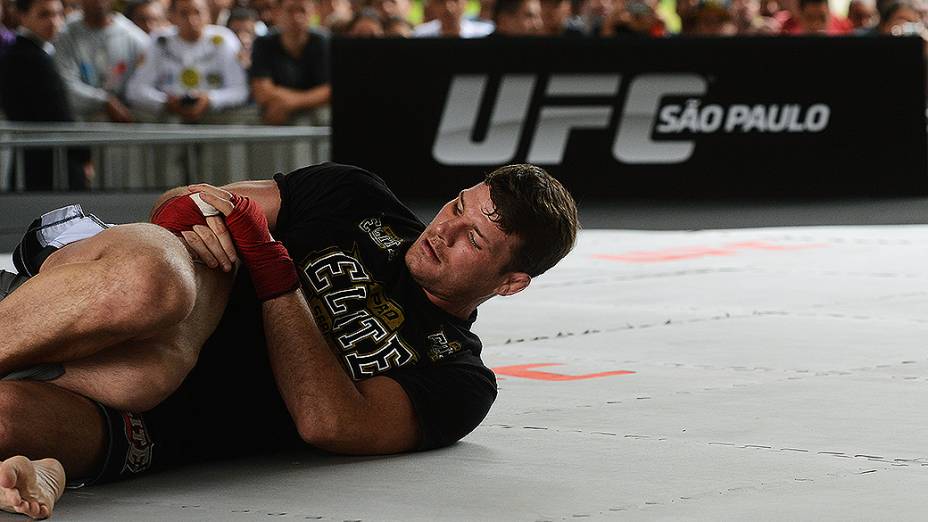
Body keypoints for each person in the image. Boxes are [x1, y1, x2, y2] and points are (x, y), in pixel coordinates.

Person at [0, 162, 579, 518]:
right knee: (150, 290)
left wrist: (275, 273)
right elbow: (190, 207)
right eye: (457, 206)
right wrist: (193, 209)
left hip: (155, 428)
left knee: (36, 411)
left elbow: (328, 422)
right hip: (167, 300)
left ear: (512, 282)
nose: (444, 229)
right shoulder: (354, 196)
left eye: (472, 240)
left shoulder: (458, 379)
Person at [0, 0, 92, 190]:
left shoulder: (33, 52)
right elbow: (57, 113)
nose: (54, 21)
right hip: (48, 166)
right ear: (22, 16)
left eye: (59, 14)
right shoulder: (29, 57)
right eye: (44, 15)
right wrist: (83, 153)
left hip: (41, 160)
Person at [125, 0, 248, 122]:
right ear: (171, 16)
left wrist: (210, 100)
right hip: (169, 127)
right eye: (184, 13)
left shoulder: (223, 40)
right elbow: (136, 90)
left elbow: (240, 90)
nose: (192, 20)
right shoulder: (160, 41)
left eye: (198, 13)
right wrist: (166, 102)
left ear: (208, 14)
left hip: (215, 124)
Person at [52, 0, 149, 122]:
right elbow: (66, 86)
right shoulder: (65, 34)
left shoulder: (135, 39)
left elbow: (143, 89)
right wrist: (104, 102)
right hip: (79, 129)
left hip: (123, 131)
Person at [249, 0, 329, 124]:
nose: (297, 17)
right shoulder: (263, 43)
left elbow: (329, 90)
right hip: (276, 112)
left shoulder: (324, 42)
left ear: (314, 13)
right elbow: (261, 91)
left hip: (312, 113)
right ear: (277, 13)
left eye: (302, 10)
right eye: (290, 10)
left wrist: (292, 102)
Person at [413, 0, 494, 37]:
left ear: (466, 3)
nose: (448, 8)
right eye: (441, 1)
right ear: (432, 6)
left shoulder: (485, 34)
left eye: (455, 0)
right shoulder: (420, 35)